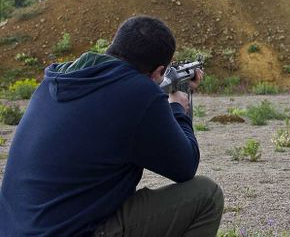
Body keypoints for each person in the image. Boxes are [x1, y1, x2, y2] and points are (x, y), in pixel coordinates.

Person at [0, 15, 224, 236]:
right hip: (70, 231)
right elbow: (184, 166)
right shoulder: (139, 94)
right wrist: (177, 109)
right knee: (206, 195)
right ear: (158, 72)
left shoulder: (58, 78)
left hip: (16, 228)